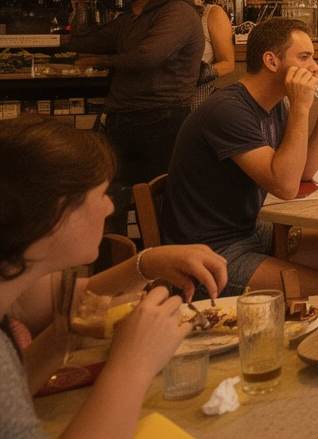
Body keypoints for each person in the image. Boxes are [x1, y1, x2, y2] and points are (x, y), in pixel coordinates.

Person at [0, 115, 224, 439]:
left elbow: (82, 299)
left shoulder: (13, 276)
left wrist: (149, 262)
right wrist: (134, 362)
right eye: (102, 194)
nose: (109, 209)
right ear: (55, 213)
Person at [159, 18, 318, 298]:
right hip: (209, 255)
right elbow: (286, 187)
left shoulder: (273, 104)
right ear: (271, 61)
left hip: (250, 234)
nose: (314, 68)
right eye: (304, 57)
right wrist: (301, 106)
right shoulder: (228, 110)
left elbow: (304, 173)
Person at [64, 0, 205, 236]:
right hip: (123, 120)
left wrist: (98, 61)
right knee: (106, 202)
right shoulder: (135, 15)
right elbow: (82, 41)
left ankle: (165, 272)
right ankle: (115, 273)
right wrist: (81, 4)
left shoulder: (176, 11)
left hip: (162, 122)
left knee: (158, 211)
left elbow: (150, 56)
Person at [160, 0, 235, 110]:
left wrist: (194, 75)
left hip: (195, 103)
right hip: (159, 103)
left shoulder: (211, 13)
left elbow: (228, 64)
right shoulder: (159, 15)